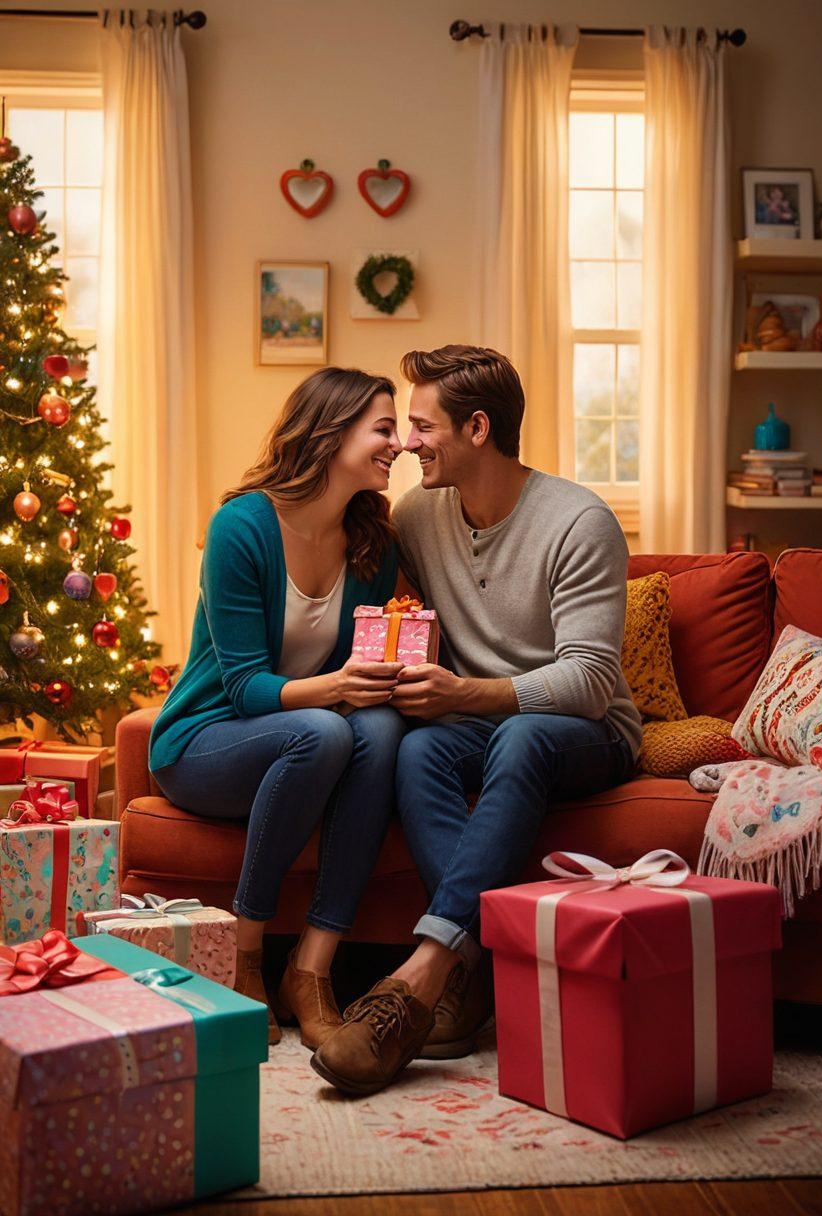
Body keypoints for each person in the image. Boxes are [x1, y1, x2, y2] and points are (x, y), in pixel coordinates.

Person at [311, 345, 642, 1095]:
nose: (405, 444)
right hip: (484, 724)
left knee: (518, 732)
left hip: (587, 732)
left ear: (479, 429)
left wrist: (464, 694)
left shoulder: (579, 522)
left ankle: (424, 976)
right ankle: (474, 968)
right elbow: (379, 591)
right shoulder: (421, 516)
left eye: (422, 426)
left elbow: (591, 681)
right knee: (418, 751)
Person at [149, 367, 406, 1047]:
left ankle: (312, 968)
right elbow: (243, 687)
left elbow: (360, 682)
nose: (399, 443)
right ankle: (245, 955)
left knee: (379, 728)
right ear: (333, 431)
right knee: (324, 732)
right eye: (384, 428)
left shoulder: (373, 543)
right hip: (207, 741)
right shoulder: (242, 527)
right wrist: (343, 688)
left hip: (305, 739)